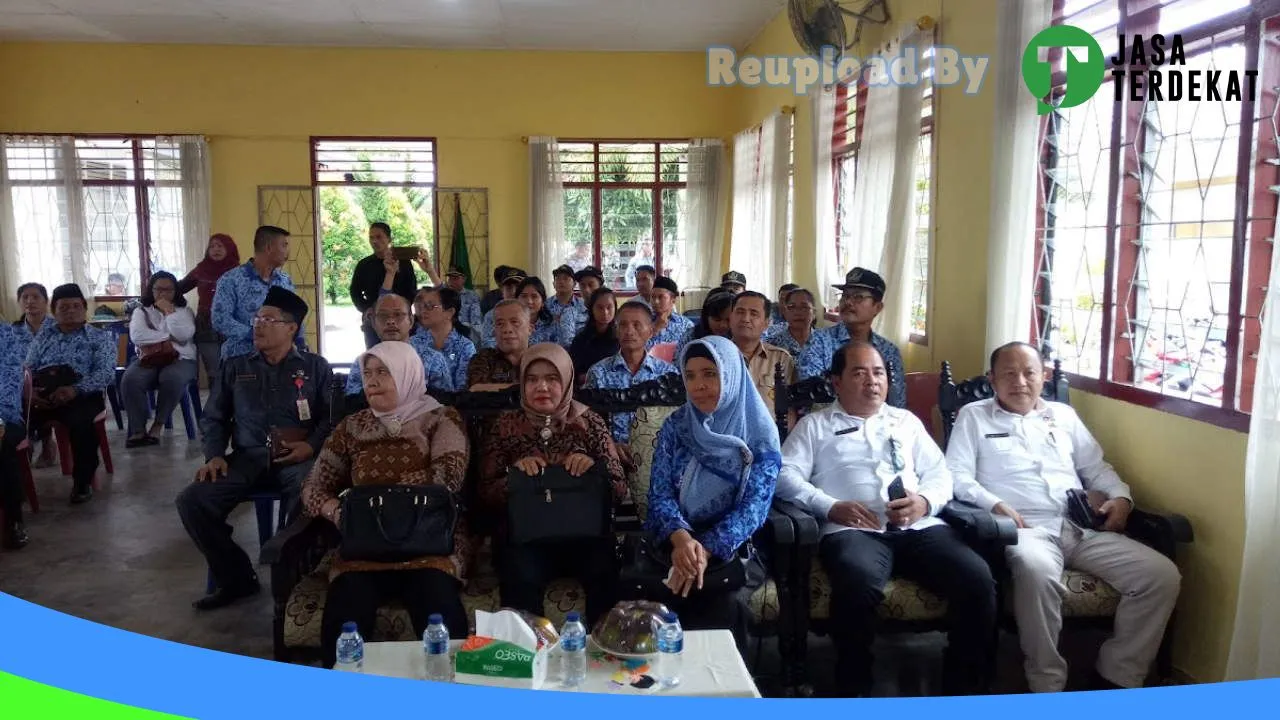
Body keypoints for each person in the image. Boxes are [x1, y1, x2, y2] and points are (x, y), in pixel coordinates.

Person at [947, 342, 1182, 693]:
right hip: (1023, 530)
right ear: (992, 379)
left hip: (1082, 527)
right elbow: (957, 476)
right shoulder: (974, 417)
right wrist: (994, 504)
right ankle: (1046, 682)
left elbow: (1096, 469)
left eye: (1029, 373)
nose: (1020, 382)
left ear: (1045, 376)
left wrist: (1121, 498)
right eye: (1009, 374)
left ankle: (1118, 675)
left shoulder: (1063, 416)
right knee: (1036, 570)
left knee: (1161, 576)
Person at [776, 341, 997, 697]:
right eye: (859, 373)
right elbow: (785, 476)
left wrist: (924, 502)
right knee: (857, 583)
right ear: (836, 381)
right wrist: (830, 506)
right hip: (854, 529)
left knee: (977, 579)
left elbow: (941, 474)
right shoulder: (815, 425)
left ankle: (965, 686)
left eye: (878, 373)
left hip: (919, 526)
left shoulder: (906, 421)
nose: (872, 382)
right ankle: (855, 686)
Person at [303, 341, 472, 669]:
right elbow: (314, 485)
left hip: (429, 545)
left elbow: (449, 476)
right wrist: (333, 510)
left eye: (383, 372)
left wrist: (373, 496)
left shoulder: (440, 418)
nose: (372, 381)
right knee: (345, 611)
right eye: (367, 373)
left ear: (407, 375)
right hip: (366, 547)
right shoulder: (352, 426)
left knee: (439, 609)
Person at [176, 287, 333, 610]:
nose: (258, 325)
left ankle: (287, 583)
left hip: (297, 459)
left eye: (268, 319)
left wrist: (310, 446)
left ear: (291, 328)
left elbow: (330, 420)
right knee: (193, 500)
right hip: (247, 458)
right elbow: (214, 417)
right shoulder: (235, 366)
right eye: (257, 318)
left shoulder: (316, 367)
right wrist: (215, 455)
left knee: (304, 493)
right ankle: (236, 578)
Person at [645, 335, 779, 652]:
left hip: (736, 546)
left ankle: (725, 693)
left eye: (710, 373)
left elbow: (754, 509)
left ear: (731, 374)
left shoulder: (759, 433)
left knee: (723, 601)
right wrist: (682, 539)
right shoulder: (677, 426)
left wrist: (704, 550)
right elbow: (659, 494)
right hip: (675, 540)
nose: (698, 385)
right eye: (690, 376)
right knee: (660, 594)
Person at [478, 343, 627, 627]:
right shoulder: (505, 425)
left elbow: (619, 489)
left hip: (585, 537)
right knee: (519, 573)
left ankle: (601, 658)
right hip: (526, 538)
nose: (541, 387)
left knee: (604, 568)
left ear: (567, 380)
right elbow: (485, 492)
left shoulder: (590, 422)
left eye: (552, 378)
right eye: (532, 379)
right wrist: (514, 476)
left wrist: (592, 469)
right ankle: (529, 658)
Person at [26, 284, 115, 505]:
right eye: (63, 307)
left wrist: (74, 390)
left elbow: (105, 373)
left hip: (81, 393)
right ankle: (16, 482)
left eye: (76, 306)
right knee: (14, 423)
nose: (70, 311)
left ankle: (82, 482)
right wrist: (30, 393)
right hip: (43, 393)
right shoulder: (44, 336)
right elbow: (27, 367)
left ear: (85, 309)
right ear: (53, 311)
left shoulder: (99, 338)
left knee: (82, 425)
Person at [797, 268, 905, 409]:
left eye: (858, 297)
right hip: (829, 423)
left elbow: (897, 404)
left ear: (877, 307)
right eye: (845, 296)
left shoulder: (889, 352)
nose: (848, 302)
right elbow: (813, 397)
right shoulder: (820, 341)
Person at [584, 300, 677, 449]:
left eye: (637, 325)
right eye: (623, 325)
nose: (629, 331)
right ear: (616, 331)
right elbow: (589, 423)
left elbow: (676, 424)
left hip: (655, 456)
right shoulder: (598, 373)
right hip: (611, 456)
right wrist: (610, 446)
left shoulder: (667, 374)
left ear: (650, 332)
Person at [120, 271, 198, 448]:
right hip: (150, 358)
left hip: (182, 358)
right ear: (151, 290)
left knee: (171, 378)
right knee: (130, 379)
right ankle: (139, 430)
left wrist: (168, 313)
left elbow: (184, 334)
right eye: (158, 289)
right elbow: (138, 336)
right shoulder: (141, 311)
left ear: (176, 291)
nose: (163, 294)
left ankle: (158, 425)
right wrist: (168, 337)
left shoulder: (184, 311)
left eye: (168, 290)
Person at [212, 225, 297, 360]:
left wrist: (301, 344)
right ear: (269, 248)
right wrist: (256, 334)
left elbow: (295, 317)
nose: (288, 252)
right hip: (241, 359)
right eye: (284, 245)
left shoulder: (285, 281)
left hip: (281, 360)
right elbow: (220, 319)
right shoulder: (231, 280)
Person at [345, 295, 449, 399]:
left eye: (398, 315)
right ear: (373, 323)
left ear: (411, 321)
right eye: (383, 316)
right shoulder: (362, 363)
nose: (391, 321)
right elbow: (353, 405)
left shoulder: (433, 360)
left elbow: (444, 404)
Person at [350, 222, 432, 349]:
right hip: (374, 318)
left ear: (389, 239)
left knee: (402, 352)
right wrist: (366, 309)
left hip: (400, 317)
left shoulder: (403, 263)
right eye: (371, 238)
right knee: (376, 354)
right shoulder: (364, 265)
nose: (374, 241)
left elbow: (411, 289)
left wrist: (403, 309)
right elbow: (355, 291)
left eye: (379, 237)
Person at [177, 233, 240, 387]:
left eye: (220, 246)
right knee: (214, 371)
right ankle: (217, 408)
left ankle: (235, 409)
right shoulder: (201, 270)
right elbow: (178, 288)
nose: (215, 249)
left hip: (232, 325)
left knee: (234, 370)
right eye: (212, 246)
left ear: (229, 248)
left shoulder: (239, 273)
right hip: (206, 326)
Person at [13, 282, 56, 467]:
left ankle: (45, 442)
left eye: (35, 297)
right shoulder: (12, 331)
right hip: (23, 383)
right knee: (17, 398)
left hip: (52, 379)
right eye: (25, 298)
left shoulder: (58, 328)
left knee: (43, 395)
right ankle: (26, 441)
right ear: (19, 302)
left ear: (46, 301)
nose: (30, 301)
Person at [729, 291, 794, 415]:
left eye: (754, 314)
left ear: (766, 323)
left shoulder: (781, 359)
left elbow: (790, 410)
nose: (745, 319)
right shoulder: (716, 356)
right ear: (731, 318)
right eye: (740, 312)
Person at [412, 287, 477, 393]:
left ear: (449, 312)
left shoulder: (465, 347)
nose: (423, 310)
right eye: (423, 306)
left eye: (430, 306)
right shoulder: (413, 343)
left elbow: (463, 389)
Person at [0, 323, 29, 549]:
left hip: (5, 415)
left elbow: (9, 380)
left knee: (2, 445)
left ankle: (13, 519)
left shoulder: (4, 334)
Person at [467, 300, 532, 391]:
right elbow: (476, 389)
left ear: (530, 328)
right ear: (494, 331)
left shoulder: (540, 358)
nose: (507, 329)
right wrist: (528, 389)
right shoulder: (484, 358)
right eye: (500, 324)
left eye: (514, 322)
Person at [568, 288, 618, 385]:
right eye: (600, 307)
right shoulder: (580, 340)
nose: (605, 312)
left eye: (609, 307)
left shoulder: (621, 338)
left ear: (615, 309)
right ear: (591, 309)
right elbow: (574, 375)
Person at [515, 276, 571, 347]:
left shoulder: (552, 326)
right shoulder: (509, 324)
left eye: (534, 296)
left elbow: (559, 352)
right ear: (516, 300)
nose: (529, 301)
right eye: (524, 296)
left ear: (543, 302)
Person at [478, 268, 526, 348]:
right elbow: (486, 343)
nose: (514, 291)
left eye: (518, 286)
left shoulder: (534, 313)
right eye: (509, 287)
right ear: (502, 291)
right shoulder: (491, 316)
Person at [764, 287, 817, 359]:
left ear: (814, 313)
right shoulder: (771, 345)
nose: (798, 312)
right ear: (785, 312)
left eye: (804, 307)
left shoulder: (825, 343)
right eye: (792, 307)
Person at [677, 289, 734, 354]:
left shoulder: (739, 337)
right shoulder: (690, 336)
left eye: (729, 320)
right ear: (706, 316)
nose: (723, 325)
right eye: (717, 319)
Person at [647, 276, 693, 348]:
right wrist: (655, 328)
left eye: (661, 297)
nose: (655, 301)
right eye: (653, 297)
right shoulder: (643, 321)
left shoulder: (685, 325)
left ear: (673, 300)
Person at [547, 264, 586, 336]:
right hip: (550, 346)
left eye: (565, 278)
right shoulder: (545, 306)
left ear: (574, 284)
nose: (561, 281)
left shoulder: (584, 305)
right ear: (553, 284)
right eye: (558, 278)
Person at [443, 265, 483, 330]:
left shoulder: (472, 296)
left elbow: (476, 322)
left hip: (465, 333)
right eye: (449, 278)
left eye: (455, 278)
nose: (451, 282)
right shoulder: (443, 295)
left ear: (464, 279)